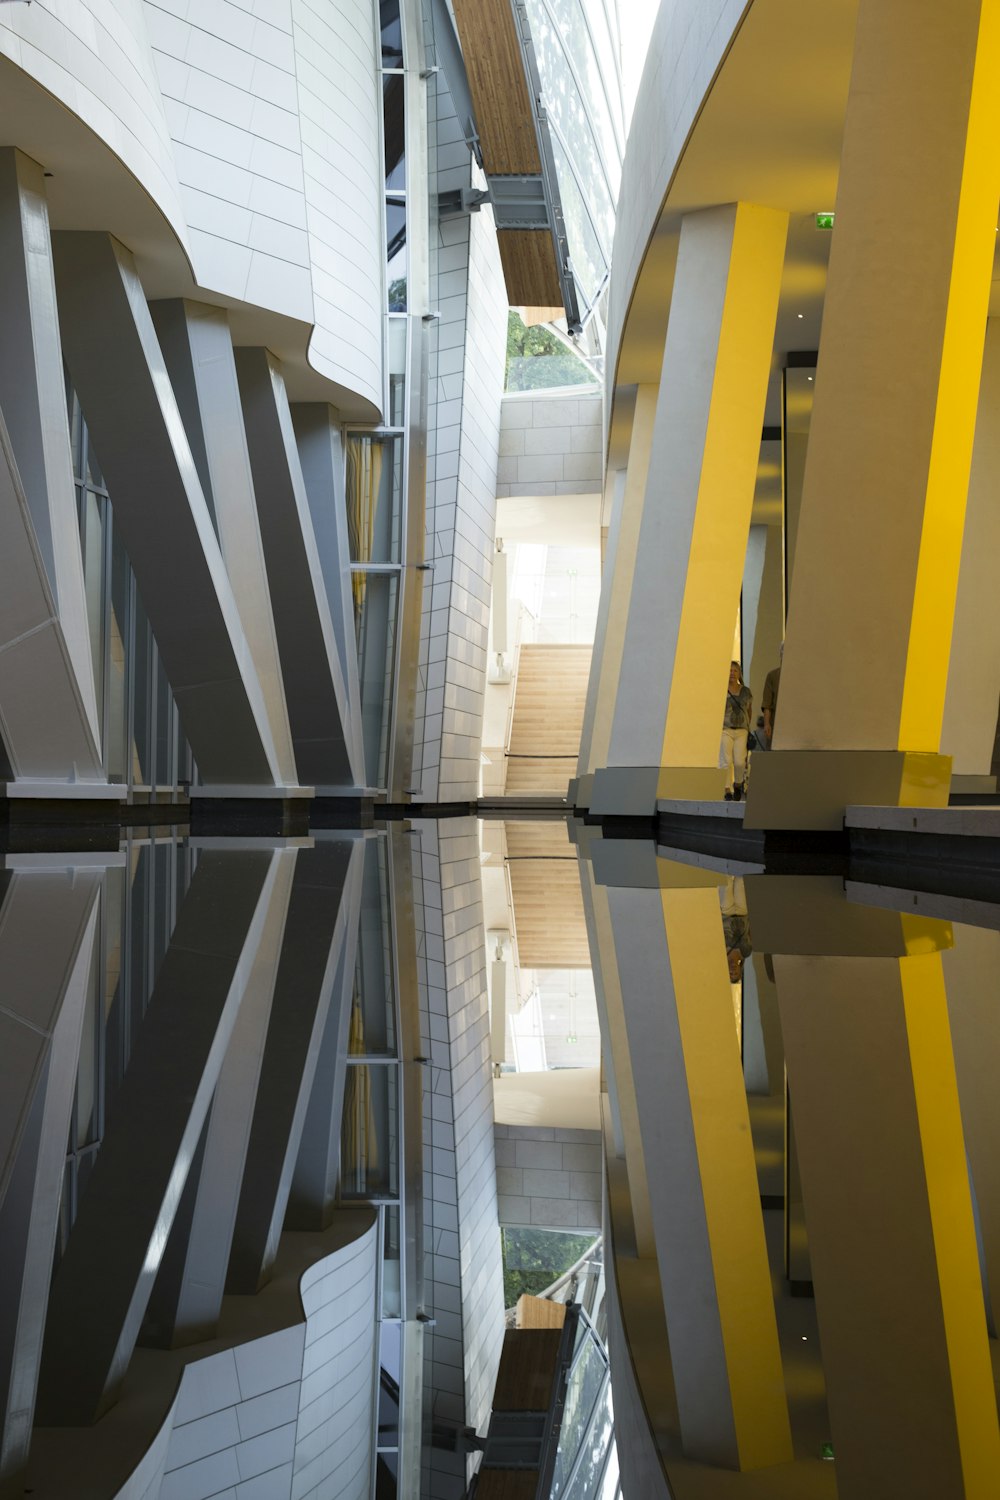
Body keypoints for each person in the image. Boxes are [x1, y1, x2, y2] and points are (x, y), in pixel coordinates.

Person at [720, 660, 752, 800]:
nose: (732, 673)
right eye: (730, 670)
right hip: (725, 728)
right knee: (725, 760)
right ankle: (727, 789)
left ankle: (738, 784)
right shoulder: (721, 689)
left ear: (739, 674)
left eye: (735, 670)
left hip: (741, 731)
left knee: (739, 761)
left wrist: (747, 725)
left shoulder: (746, 691)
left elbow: (748, 710)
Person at [761, 642, 783, 746]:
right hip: (776, 723)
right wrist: (766, 724)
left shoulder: (801, 677)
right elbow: (767, 704)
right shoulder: (773, 676)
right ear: (781, 654)